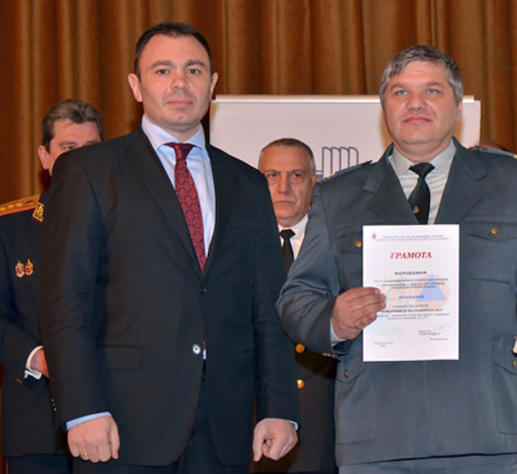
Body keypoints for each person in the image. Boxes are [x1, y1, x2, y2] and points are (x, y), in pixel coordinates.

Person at [277, 45, 517, 473]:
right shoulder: (338, 196)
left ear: (457, 107)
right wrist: (333, 320)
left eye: (432, 91)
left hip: (482, 429)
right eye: (401, 92)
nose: (415, 102)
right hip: (376, 435)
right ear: (384, 107)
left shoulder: (512, 181)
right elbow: (296, 297)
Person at [37, 22, 299, 473]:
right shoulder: (88, 171)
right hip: (119, 423)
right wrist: (81, 408)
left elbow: (267, 307)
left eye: (193, 70)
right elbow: (66, 300)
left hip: (226, 425)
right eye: (162, 70)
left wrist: (279, 406)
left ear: (212, 85)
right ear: (136, 86)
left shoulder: (248, 183)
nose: (180, 82)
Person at [0, 99, 102, 474]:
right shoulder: (9, 226)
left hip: (118, 418)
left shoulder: (130, 223)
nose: (81, 160)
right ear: (45, 157)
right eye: (68, 149)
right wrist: (37, 357)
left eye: (91, 149)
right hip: (36, 422)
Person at [253, 138, 337, 474]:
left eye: (296, 176)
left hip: (325, 422)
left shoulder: (339, 246)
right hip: (255, 419)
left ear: (314, 182)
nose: (283, 187)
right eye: (272, 176)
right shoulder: (232, 246)